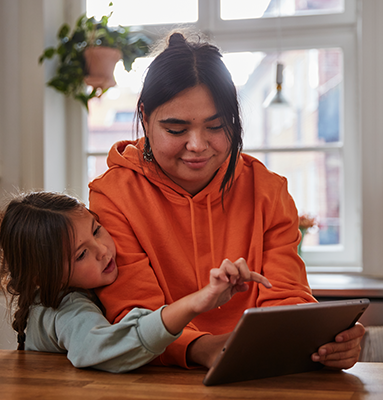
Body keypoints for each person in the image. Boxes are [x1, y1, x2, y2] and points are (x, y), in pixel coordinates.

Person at [89, 31, 365, 370]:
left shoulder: (267, 190)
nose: (197, 145)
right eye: (176, 130)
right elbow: (132, 315)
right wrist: (203, 348)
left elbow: (286, 296)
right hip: (155, 376)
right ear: (144, 117)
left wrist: (318, 340)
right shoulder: (113, 195)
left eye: (216, 126)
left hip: (255, 369)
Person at [0, 191, 271, 373]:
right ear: (43, 276)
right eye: (82, 254)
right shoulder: (63, 309)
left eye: (97, 230)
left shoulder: (82, 287)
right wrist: (193, 304)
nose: (103, 250)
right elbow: (100, 347)